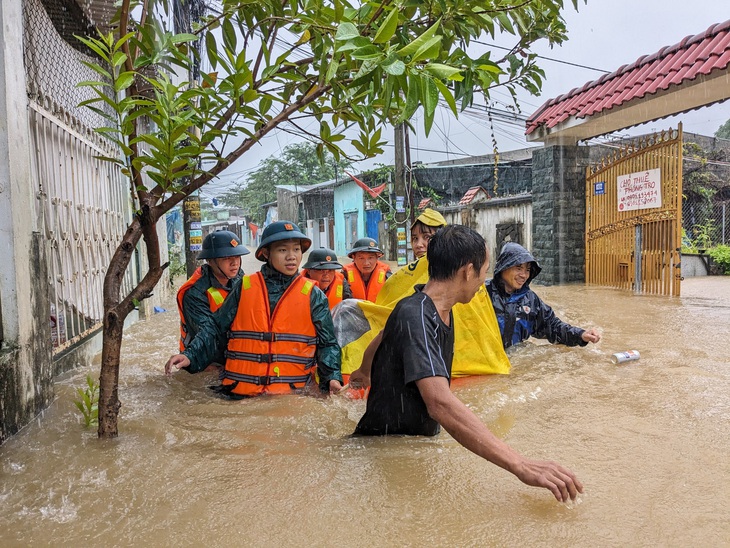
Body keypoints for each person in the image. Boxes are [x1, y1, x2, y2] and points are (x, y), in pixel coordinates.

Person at [348, 225, 583, 503]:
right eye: (484, 271)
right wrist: (520, 464)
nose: (484, 279)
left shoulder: (426, 306)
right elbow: (440, 403)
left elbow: (380, 338)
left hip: (413, 445)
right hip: (386, 453)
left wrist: (362, 373)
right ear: (467, 272)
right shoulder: (418, 316)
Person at [165, 221, 344, 396]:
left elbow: (327, 343)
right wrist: (190, 356)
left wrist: (332, 378)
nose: (292, 256)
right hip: (240, 392)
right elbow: (215, 329)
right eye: (283, 250)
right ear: (266, 253)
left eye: (296, 249)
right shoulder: (244, 287)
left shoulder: (314, 294)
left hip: (292, 393)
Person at [486, 242, 602, 350]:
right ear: (504, 267)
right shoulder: (481, 293)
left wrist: (581, 334)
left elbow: (553, 327)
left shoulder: (530, 300)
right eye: (518, 268)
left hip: (514, 364)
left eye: (527, 270)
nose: (524, 275)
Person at [175, 230, 248, 373]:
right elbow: (208, 334)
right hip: (204, 359)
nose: (235, 263)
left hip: (232, 352)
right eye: (227, 258)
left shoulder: (239, 277)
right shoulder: (195, 293)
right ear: (210, 261)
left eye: (238, 257)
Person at [342, 238, 392, 302]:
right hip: (353, 311)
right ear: (354, 258)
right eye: (361, 258)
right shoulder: (344, 275)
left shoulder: (387, 275)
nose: (366, 263)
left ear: (377, 257)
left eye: (370, 258)